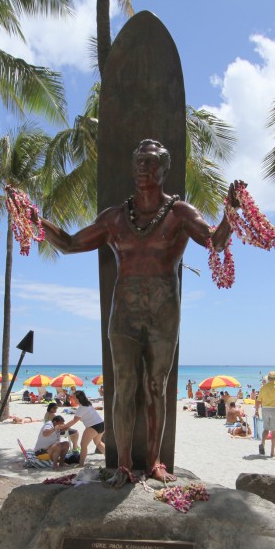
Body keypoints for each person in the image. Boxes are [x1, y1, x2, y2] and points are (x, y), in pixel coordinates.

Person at [37, 139, 239, 486]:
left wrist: (231, 213)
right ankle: (125, 463)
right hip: (125, 313)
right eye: (139, 163)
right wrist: (35, 220)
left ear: (164, 169)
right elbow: (70, 244)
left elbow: (215, 241)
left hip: (163, 310)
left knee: (156, 387)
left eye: (150, 163)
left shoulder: (180, 213)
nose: (143, 169)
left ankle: (156, 461)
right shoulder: (115, 218)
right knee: (124, 387)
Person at [64, 391, 105, 468]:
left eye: (74, 397)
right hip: (101, 424)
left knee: (83, 445)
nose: (73, 399)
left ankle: (81, 463)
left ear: (79, 398)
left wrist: (64, 426)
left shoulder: (81, 408)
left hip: (93, 426)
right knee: (98, 443)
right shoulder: (88, 404)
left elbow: (74, 420)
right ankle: (109, 458)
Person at [255, 371, 275, 457]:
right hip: (273, 409)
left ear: (268, 378)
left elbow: (258, 401)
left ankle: (262, 443)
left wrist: (256, 411)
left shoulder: (263, 387)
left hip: (264, 409)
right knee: (274, 431)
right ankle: (272, 452)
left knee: (266, 428)